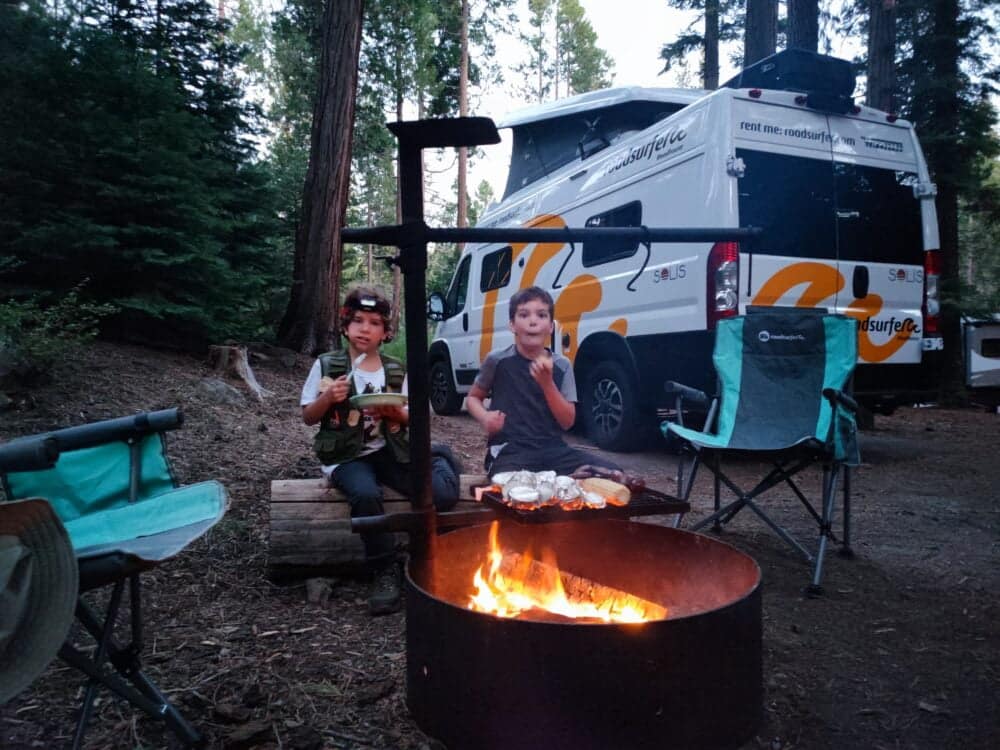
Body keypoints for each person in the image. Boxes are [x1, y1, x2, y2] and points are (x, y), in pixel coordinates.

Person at [301, 285, 461, 615]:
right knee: (364, 494)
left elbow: (417, 417)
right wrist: (328, 398)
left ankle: (439, 457)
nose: (365, 328)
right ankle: (384, 568)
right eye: (358, 320)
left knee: (440, 493)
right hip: (346, 455)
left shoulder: (395, 369)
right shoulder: (329, 366)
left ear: (385, 332)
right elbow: (308, 416)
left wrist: (393, 412)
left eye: (374, 323)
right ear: (345, 325)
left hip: (390, 449)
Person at [466, 286, 623, 478]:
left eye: (541, 315)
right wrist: (485, 417)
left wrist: (547, 383)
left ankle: (560, 481)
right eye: (524, 315)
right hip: (510, 450)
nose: (533, 322)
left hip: (553, 450)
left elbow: (567, 422)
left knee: (615, 474)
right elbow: (473, 397)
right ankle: (558, 480)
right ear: (512, 325)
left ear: (550, 327)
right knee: (509, 486)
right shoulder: (497, 360)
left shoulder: (561, 365)